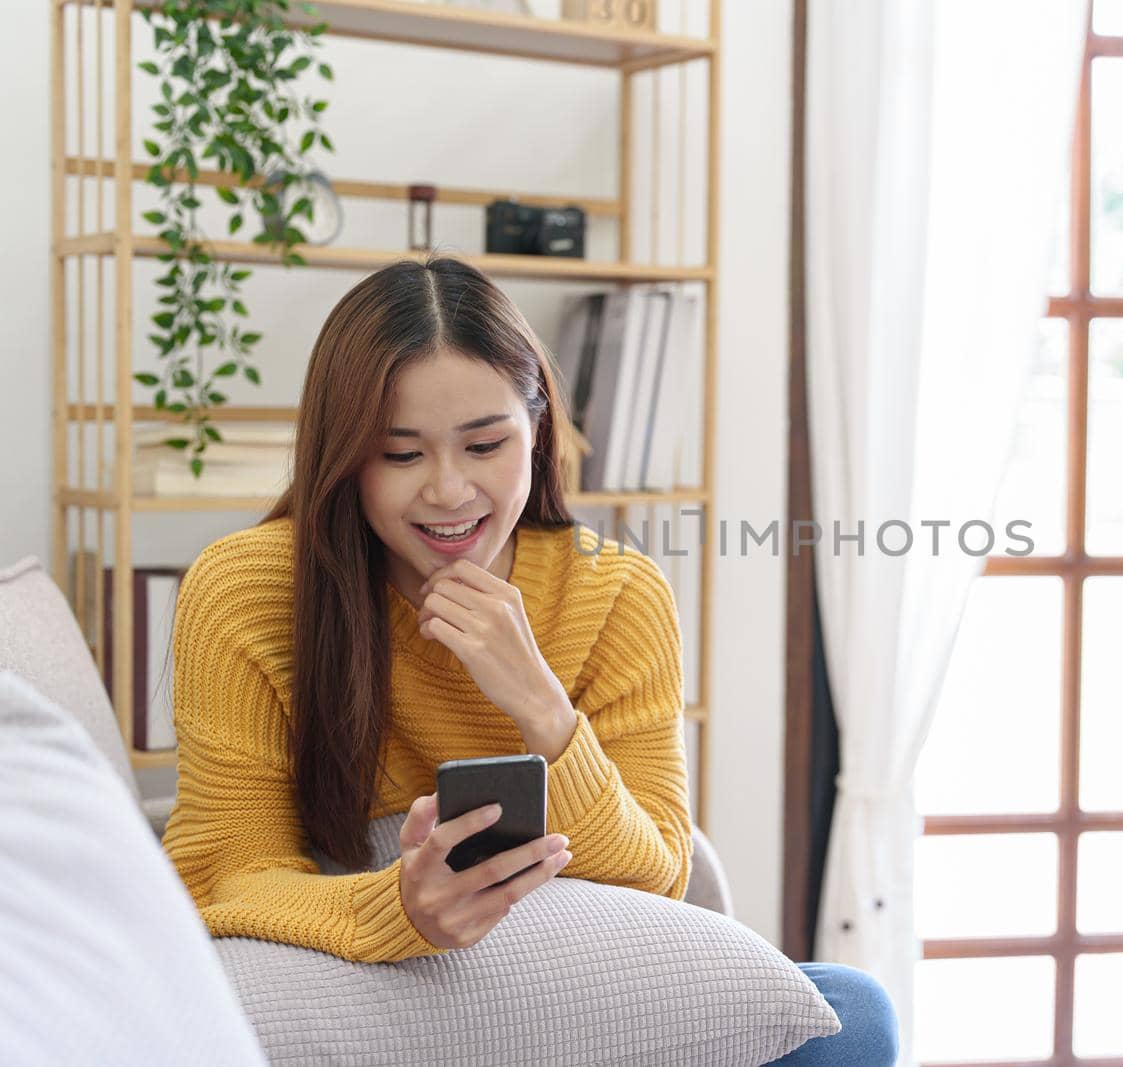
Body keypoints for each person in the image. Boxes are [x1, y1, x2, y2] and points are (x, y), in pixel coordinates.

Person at [159, 255, 896, 1065]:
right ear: (342, 456)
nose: (448, 491)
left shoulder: (616, 593)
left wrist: (542, 707)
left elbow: (659, 874)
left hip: (566, 978)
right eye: (400, 455)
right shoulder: (246, 589)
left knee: (854, 1011)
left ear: (538, 428)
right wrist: (398, 909)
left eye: (484, 444)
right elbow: (226, 874)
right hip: (364, 969)